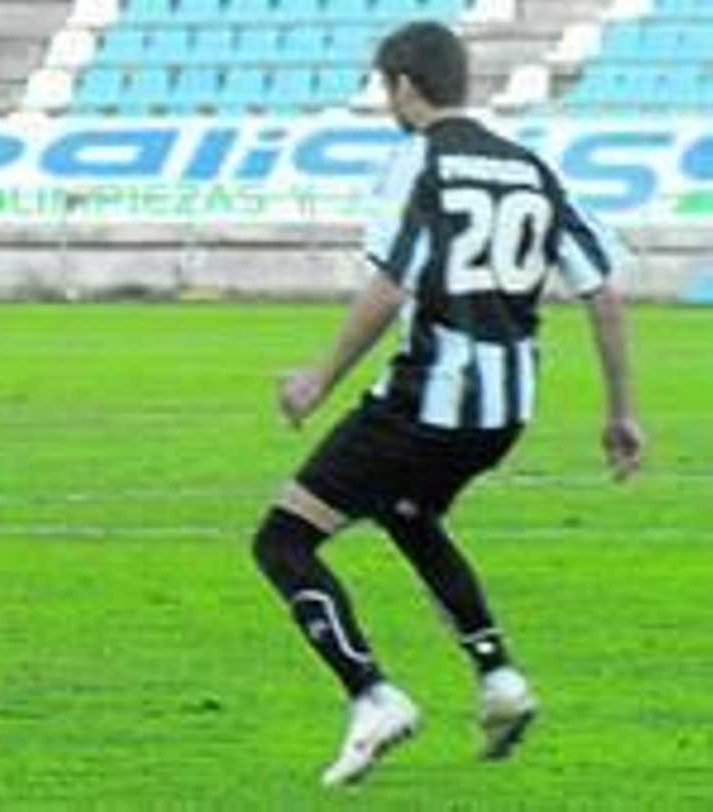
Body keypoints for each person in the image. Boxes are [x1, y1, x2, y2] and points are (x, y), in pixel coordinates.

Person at [250, 21, 645, 788]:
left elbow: (390, 285)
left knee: (283, 540)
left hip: (429, 401)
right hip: (504, 411)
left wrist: (318, 379)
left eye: (385, 87)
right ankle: (499, 679)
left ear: (404, 85)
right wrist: (620, 413)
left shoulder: (419, 161)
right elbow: (602, 294)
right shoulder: (531, 168)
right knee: (408, 513)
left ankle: (373, 696)